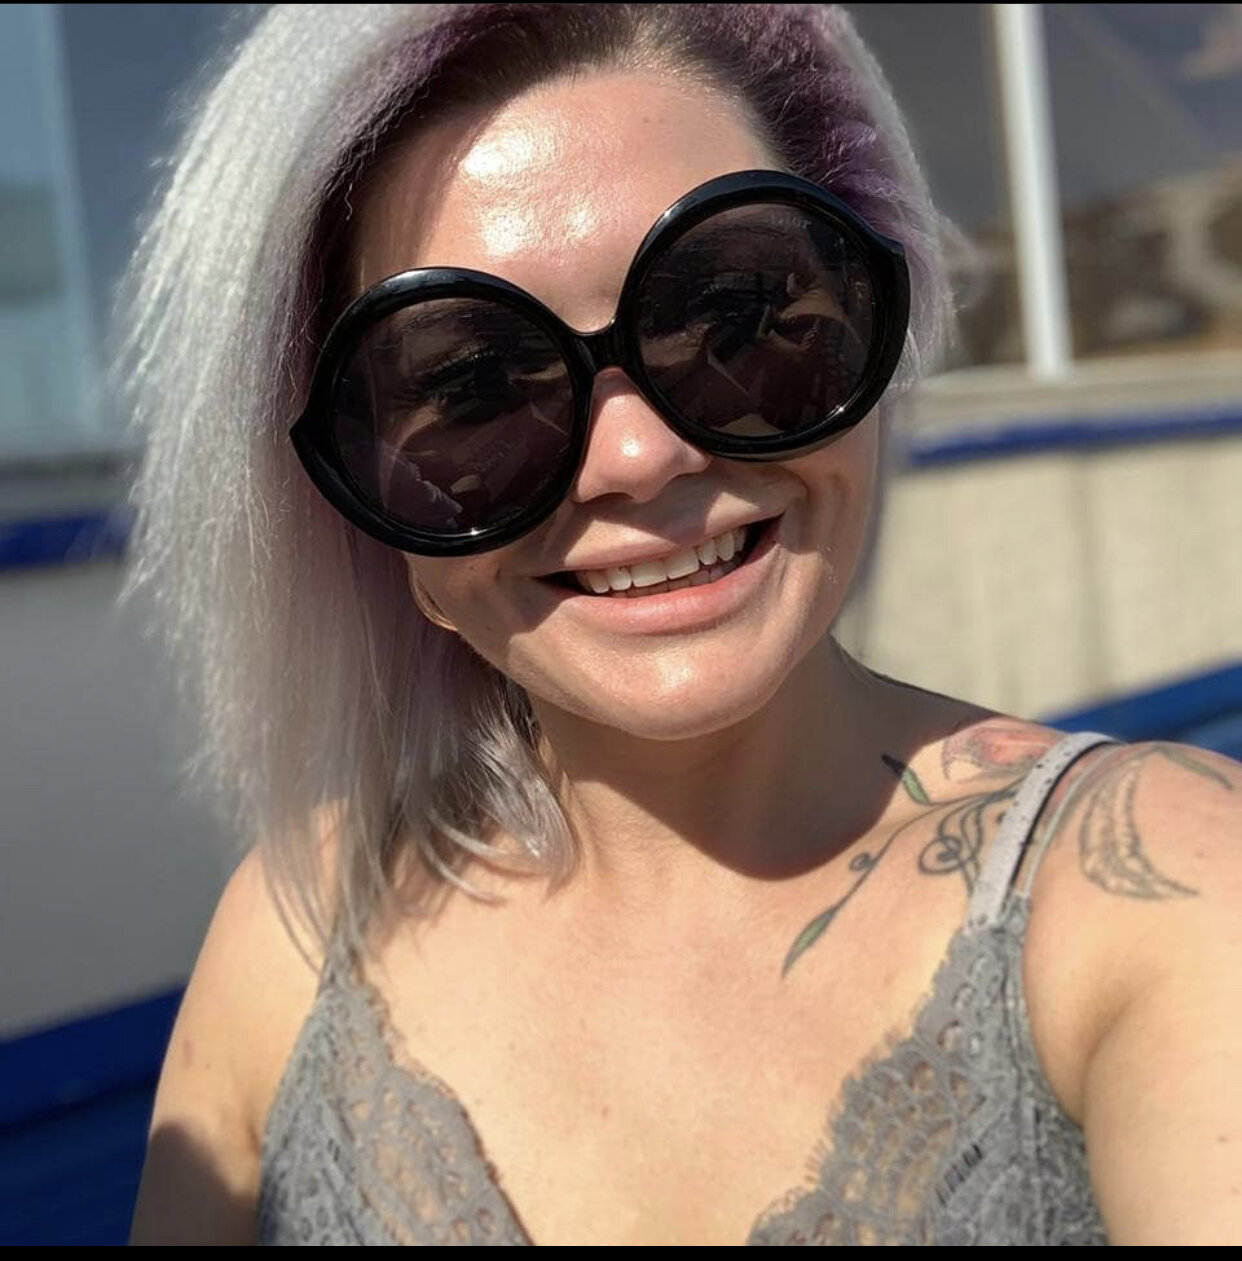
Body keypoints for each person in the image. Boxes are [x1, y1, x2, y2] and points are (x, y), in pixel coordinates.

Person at [123, 3, 1241, 1247]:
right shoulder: (294, 931)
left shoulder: (1161, 888)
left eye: (739, 319)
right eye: (473, 388)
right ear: (370, 517)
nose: (639, 456)